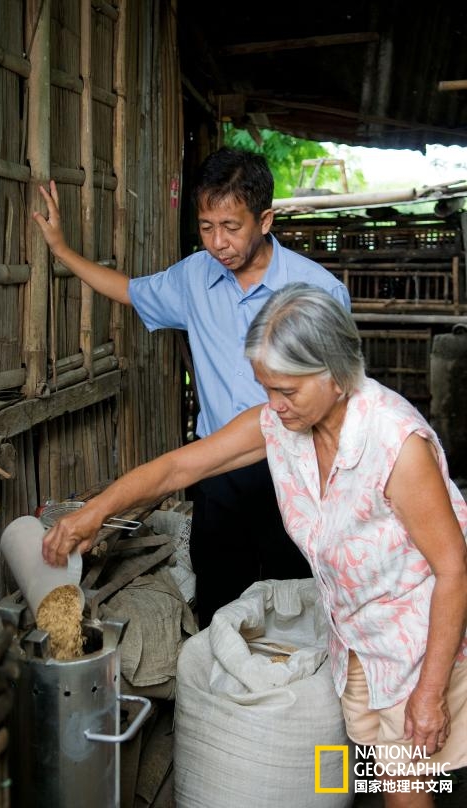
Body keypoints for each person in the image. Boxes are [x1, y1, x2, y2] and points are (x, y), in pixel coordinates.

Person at [42, 283, 467, 807]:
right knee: (392, 772)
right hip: (357, 634)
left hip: (418, 637)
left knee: (408, 783)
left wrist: (429, 692)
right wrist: (94, 513)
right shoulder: (284, 424)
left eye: (287, 390)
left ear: (334, 375)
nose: (275, 406)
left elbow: (453, 569)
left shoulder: (396, 446)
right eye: (268, 389)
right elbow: (181, 466)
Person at [33, 147, 350, 627]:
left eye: (231, 227)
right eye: (206, 228)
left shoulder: (318, 293)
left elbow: (339, 401)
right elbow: (130, 290)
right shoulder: (194, 277)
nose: (218, 243)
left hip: (297, 468)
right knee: (219, 599)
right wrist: (61, 250)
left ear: (265, 219)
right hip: (217, 472)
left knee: (301, 604)